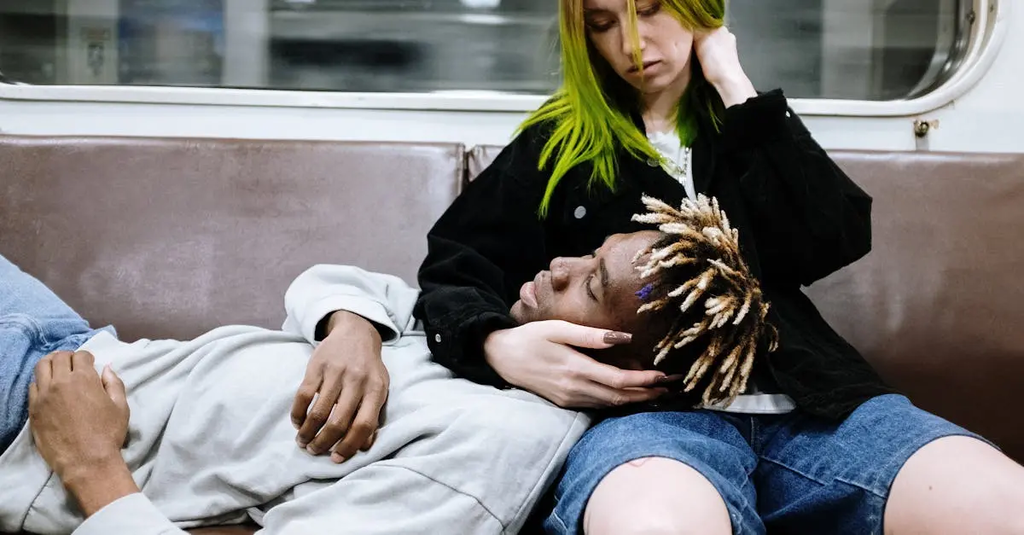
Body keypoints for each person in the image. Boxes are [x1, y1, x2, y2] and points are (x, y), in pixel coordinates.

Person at [412, 0, 1024, 533]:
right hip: (650, 418)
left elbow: (834, 234)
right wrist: (493, 344)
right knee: (653, 520)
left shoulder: (745, 127)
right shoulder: (557, 143)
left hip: (811, 404)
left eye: (651, 10)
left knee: (994, 500)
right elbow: (453, 269)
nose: (632, 44)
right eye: (602, 23)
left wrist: (731, 79)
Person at [0, 196, 747, 535]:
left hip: (29, 421)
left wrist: (91, 464)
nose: (558, 266)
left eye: (591, 285)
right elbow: (356, 285)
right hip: (73, 336)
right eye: (587, 253)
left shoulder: (497, 451)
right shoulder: (506, 346)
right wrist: (351, 327)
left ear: (636, 371)